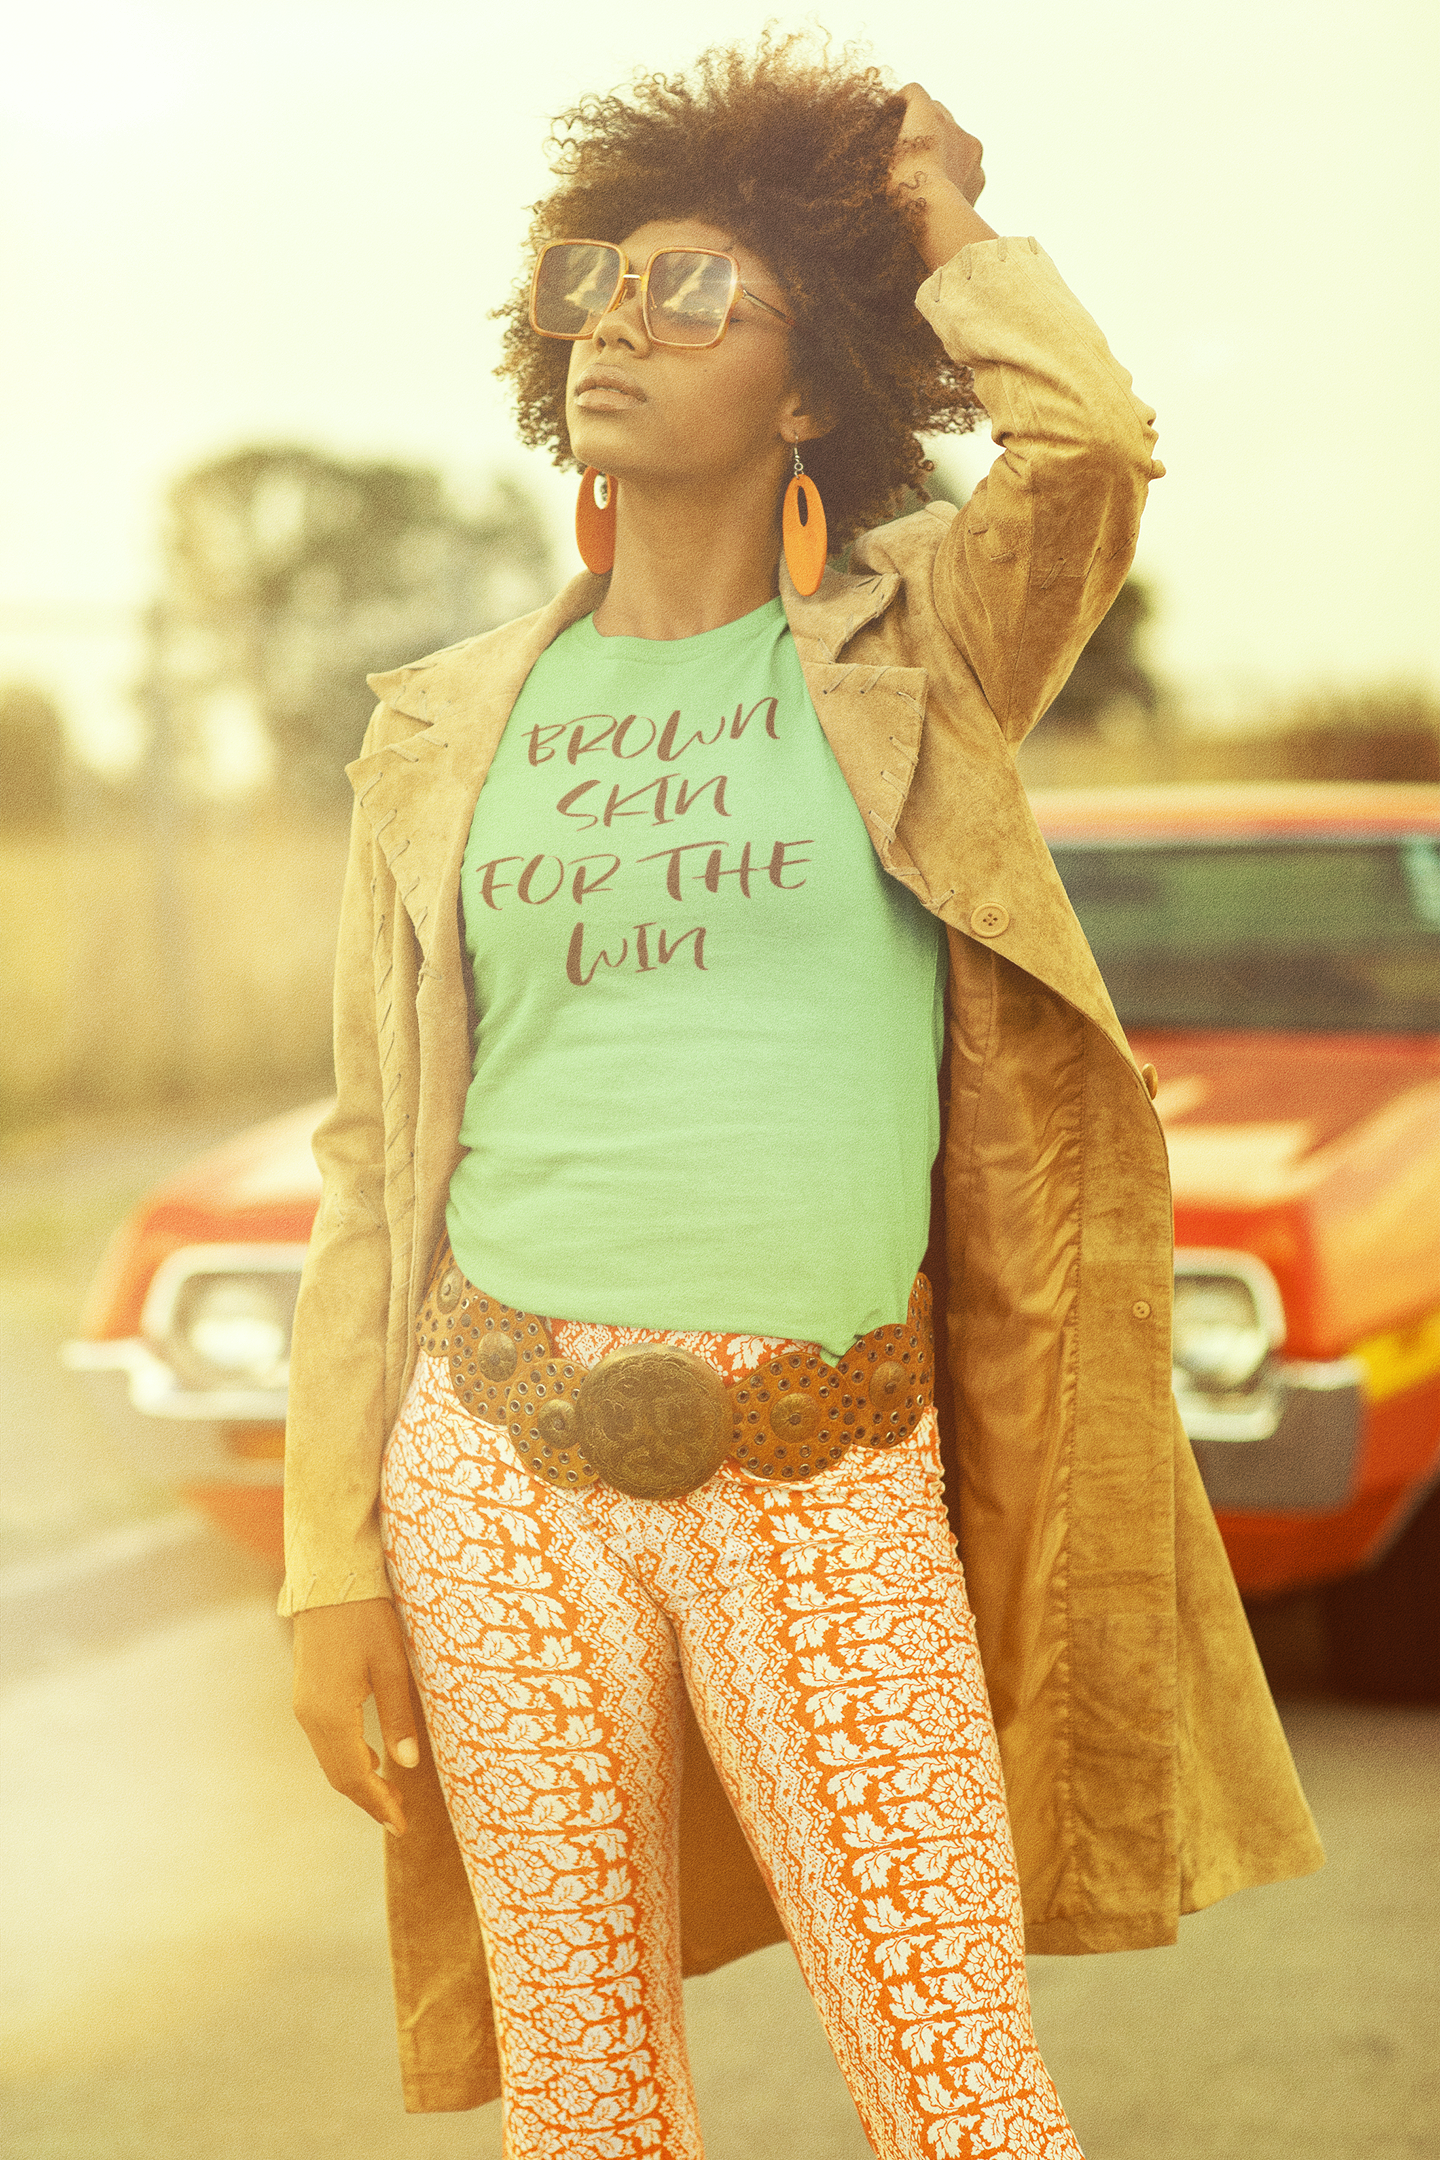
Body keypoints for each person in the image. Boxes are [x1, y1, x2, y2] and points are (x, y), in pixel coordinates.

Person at [284, 38, 1323, 2160]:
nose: (611, 329)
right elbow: (375, 1158)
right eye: (588, 282)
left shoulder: (914, 652)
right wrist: (329, 1558)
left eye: (691, 296)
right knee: (582, 2102)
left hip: (825, 1467)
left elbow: (1094, 448)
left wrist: (948, 238)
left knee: (958, 2090)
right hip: (492, 1472)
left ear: (812, 385)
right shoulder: (447, 726)